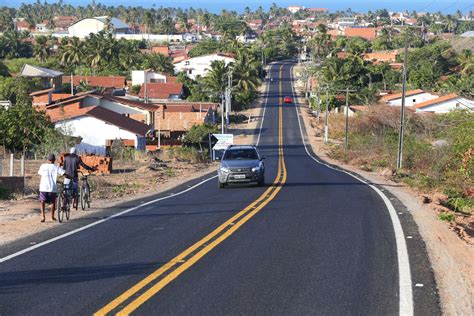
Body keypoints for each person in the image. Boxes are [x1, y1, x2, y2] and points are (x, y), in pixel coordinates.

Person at [38, 154, 65, 222]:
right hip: (52, 188)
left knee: (42, 201)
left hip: (43, 187)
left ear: (47, 160)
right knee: (53, 202)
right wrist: (69, 176)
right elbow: (63, 173)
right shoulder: (56, 167)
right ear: (54, 160)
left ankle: (43, 217)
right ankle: (52, 217)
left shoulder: (43, 166)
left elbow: (40, 173)